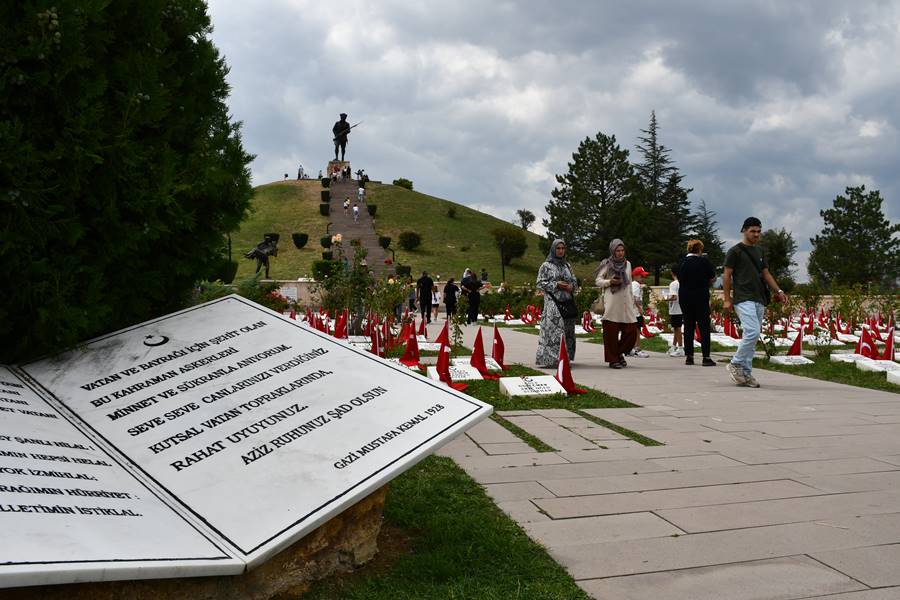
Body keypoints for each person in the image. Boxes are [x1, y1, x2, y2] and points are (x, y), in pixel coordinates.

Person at [724, 217, 788, 387]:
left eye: (759, 231)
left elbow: (766, 274)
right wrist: (727, 299)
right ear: (743, 230)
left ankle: (746, 374)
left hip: (759, 298)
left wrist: (779, 291)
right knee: (752, 332)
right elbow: (727, 275)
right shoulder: (735, 251)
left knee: (752, 338)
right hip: (743, 298)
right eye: (753, 231)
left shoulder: (760, 251)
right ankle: (736, 363)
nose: (756, 234)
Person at [595, 239, 637, 369]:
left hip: (626, 303)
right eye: (617, 251)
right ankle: (613, 360)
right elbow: (598, 281)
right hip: (612, 303)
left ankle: (617, 353)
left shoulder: (628, 264)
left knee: (631, 331)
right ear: (613, 251)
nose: (620, 253)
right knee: (611, 334)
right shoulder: (607, 264)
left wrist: (633, 302)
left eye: (622, 250)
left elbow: (629, 283)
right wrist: (610, 282)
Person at [535, 239, 578, 368]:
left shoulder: (567, 266)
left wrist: (571, 286)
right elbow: (539, 283)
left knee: (568, 329)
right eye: (558, 248)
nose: (560, 251)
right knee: (555, 330)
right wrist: (556, 284)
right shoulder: (546, 266)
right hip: (553, 303)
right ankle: (553, 359)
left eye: (562, 248)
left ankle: (566, 356)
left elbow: (574, 281)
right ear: (554, 249)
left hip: (567, 302)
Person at [678, 240, 716, 366]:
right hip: (700, 296)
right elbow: (712, 277)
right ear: (699, 249)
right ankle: (706, 357)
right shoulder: (704, 261)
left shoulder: (682, 262)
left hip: (685, 296)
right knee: (704, 326)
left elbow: (680, 278)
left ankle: (689, 356)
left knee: (688, 325)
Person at [628, 266, 651, 358]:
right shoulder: (635, 285)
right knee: (637, 330)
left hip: (634, 311)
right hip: (636, 312)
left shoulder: (633, 284)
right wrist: (640, 308)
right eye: (641, 276)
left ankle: (632, 348)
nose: (643, 278)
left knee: (635, 330)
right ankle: (637, 348)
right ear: (635, 276)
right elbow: (635, 298)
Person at [667, 265, 684, 357]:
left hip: (675, 309)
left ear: (672, 273)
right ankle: (674, 346)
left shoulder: (673, 284)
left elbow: (674, 297)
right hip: (681, 308)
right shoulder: (682, 282)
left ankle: (680, 348)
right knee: (676, 328)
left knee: (677, 329)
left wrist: (666, 299)